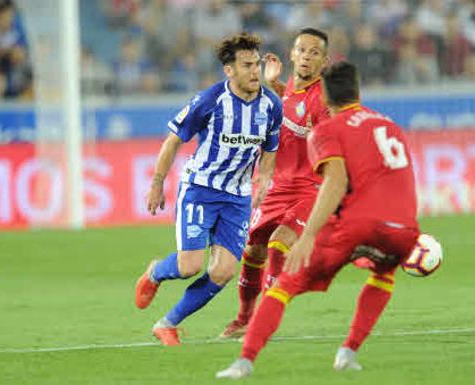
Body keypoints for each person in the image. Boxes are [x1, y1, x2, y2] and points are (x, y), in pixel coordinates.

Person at [217, 61, 435, 379]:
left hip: (357, 224)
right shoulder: (390, 125)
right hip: (404, 229)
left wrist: (308, 236)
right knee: (383, 275)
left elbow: (334, 183)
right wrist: (406, 230)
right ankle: (347, 353)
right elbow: (401, 178)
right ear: (357, 90)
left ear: (326, 98)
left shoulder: (328, 129)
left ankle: (244, 361)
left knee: (285, 285)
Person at [134, 32, 283, 346]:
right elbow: (173, 140)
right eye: (246, 65)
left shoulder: (271, 105)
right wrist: (157, 184)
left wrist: (263, 179)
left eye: (257, 64)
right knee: (190, 266)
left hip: (238, 198)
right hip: (201, 188)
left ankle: (167, 324)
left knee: (223, 272)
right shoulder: (210, 100)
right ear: (229, 70)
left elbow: (270, 150)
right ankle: (155, 273)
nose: (255, 71)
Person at [219, 27, 331, 339]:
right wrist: (274, 85)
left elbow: (326, 141)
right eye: (302, 50)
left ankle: (264, 320)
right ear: (293, 54)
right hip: (277, 187)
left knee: (279, 243)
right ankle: (243, 317)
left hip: (309, 188)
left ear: (324, 61)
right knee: (253, 252)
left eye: (314, 52)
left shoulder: (325, 98)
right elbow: (291, 105)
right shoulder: (292, 88)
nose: (307, 56)